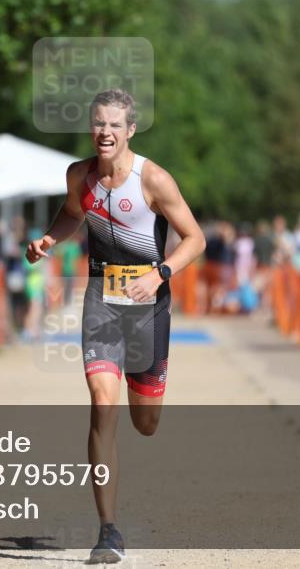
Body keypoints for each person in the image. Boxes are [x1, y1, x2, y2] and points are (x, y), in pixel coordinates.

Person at [25, 89, 205, 563]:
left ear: (130, 131)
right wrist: (50, 239)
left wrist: (160, 273)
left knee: (145, 423)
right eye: (98, 124)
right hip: (102, 301)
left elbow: (195, 238)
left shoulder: (154, 180)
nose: (105, 132)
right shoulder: (78, 175)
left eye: (114, 125)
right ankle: (108, 531)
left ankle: (147, 389)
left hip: (148, 308)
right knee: (102, 404)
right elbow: (71, 214)